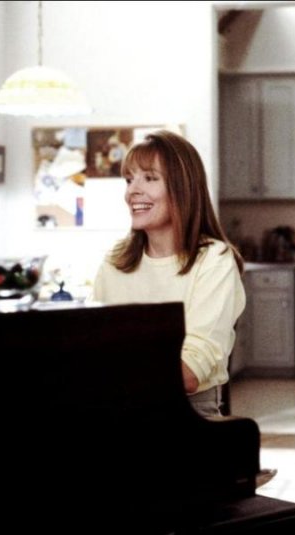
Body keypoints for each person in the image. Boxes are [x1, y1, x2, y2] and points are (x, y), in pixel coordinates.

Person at [90, 130, 246, 419]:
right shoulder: (115, 261)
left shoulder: (214, 261)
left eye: (150, 178)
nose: (132, 191)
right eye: (129, 180)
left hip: (188, 413)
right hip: (114, 407)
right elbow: (90, 348)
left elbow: (190, 374)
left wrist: (111, 365)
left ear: (182, 188)